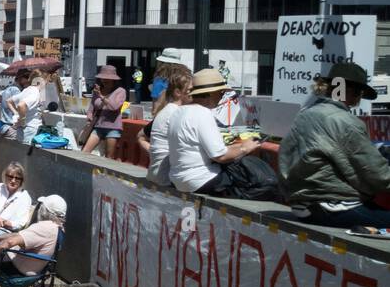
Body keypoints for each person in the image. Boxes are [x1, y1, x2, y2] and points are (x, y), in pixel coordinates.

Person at [280, 62, 390, 228]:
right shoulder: (345, 121)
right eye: (359, 92)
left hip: (302, 205)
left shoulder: (306, 113)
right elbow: (378, 175)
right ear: (352, 92)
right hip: (331, 207)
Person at [166, 68, 265, 196]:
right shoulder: (203, 113)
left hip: (178, 178)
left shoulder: (177, 113)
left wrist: (239, 146)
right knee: (262, 184)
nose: (221, 97)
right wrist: (245, 148)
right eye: (221, 93)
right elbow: (220, 156)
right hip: (199, 179)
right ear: (210, 94)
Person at [139, 65, 192, 186]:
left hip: (156, 174)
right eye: (189, 90)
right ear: (178, 92)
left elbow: (140, 137)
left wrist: (156, 153)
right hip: (167, 178)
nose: (193, 94)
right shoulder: (177, 114)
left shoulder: (165, 111)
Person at [80, 64, 127, 157]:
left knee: (108, 157)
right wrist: (89, 117)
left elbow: (114, 107)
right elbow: (92, 107)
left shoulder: (120, 91)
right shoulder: (97, 91)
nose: (104, 80)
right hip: (98, 126)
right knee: (84, 152)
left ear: (113, 79)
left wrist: (101, 96)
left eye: (107, 78)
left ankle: (105, 172)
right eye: (103, 78)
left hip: (113, 128)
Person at [3, 67, 44, 145]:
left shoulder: (26, 90)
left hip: (20, 129)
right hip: (29, 128)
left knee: (21, 153)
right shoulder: (34, 91)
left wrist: (17, 115)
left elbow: (9, 101)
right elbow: (21, 105)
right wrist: (22, 120)